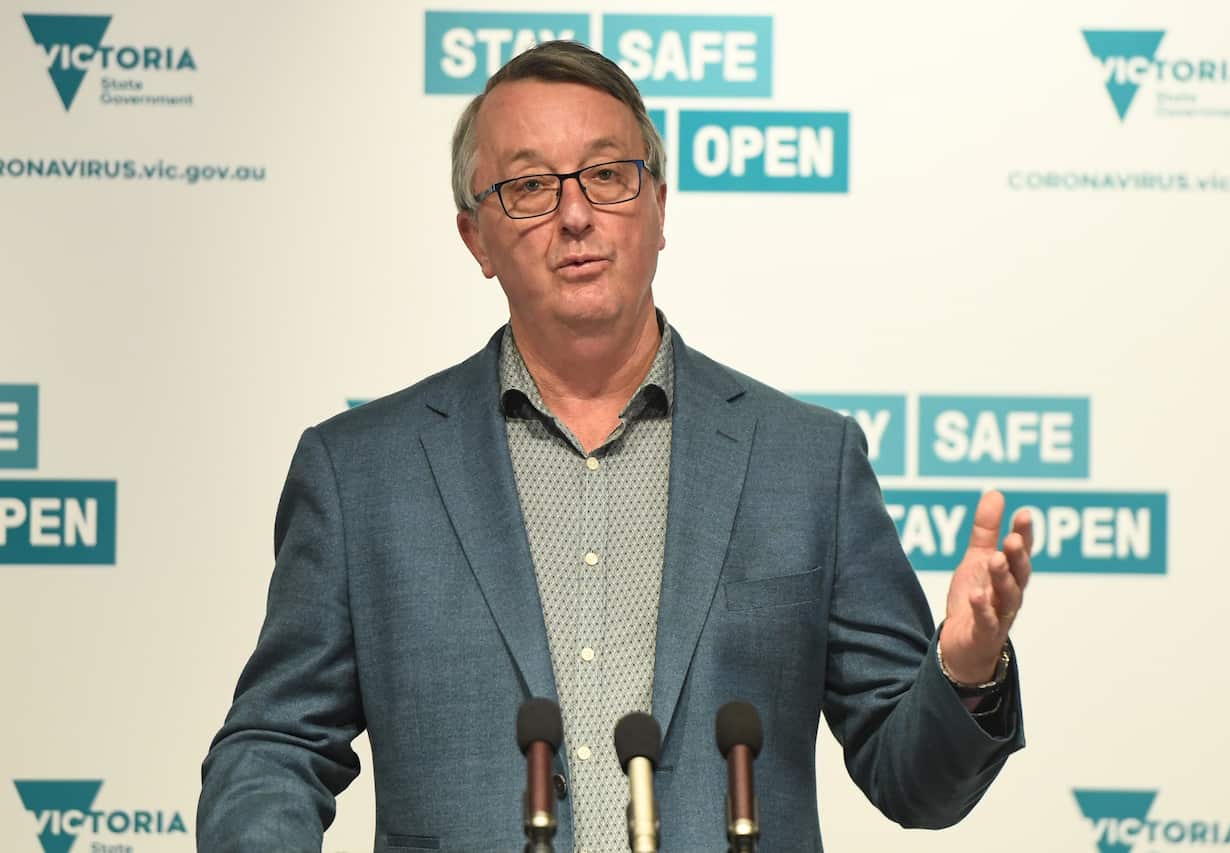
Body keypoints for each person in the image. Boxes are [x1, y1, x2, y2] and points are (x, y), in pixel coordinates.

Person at [197, 40, 1030, 853]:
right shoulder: (362, 475)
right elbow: (274, 746)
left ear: (660, 207)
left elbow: (916, 782)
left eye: (606, 175)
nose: (574, 214)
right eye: (528, 186)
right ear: (475, 238)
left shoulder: (805, 463)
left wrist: (964, 670)